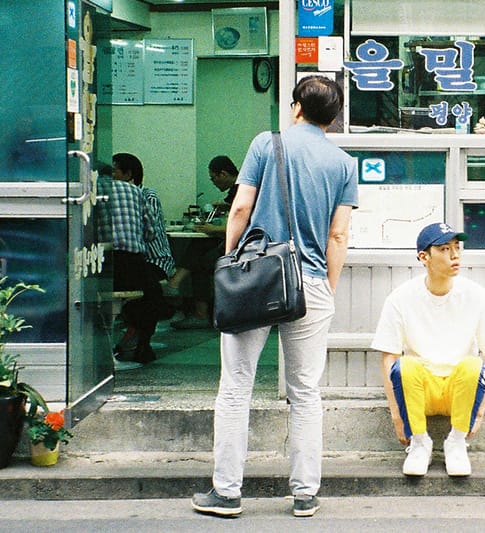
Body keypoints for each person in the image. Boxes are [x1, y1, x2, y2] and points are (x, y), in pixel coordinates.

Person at [191, 75, 358, 518]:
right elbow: (338, 234)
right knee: (304, 391)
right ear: (334, 117)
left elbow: (240, 209)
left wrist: (231, 265)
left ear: (296, 108)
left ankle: (227, 493)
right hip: (313, 283)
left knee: (236, 386)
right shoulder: (344, 163)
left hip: (257, 277)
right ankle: (305, 493)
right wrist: (325, 285)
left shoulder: (267, 144)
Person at [371, 222, 485, 477]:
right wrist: (397, 416)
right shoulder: (401, 298)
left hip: (459, 392)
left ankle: (456, 442)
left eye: (457, 248)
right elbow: (388, 357)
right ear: (424, 257)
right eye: (445, 249)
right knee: (406, 365)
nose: (455, 255)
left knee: (473, 364)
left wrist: (478, 413)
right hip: (421, 391)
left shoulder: (475, 295)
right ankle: (420, 443)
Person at [95, 163, 161, 365]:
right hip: (132, 263)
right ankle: (143, 346)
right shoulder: (135, 191)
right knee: (152, 294)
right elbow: (151, 232)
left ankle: (101, 349)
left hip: (103, 262)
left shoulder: (91, 191)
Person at [166, 156, 239, 329]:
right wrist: (225, 208)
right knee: (201, 245)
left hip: (244, 246)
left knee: (202, 263)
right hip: (236, 243)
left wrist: (213, 229)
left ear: (222, 174)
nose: (214, 183)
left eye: (213, 178)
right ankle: (175, 282)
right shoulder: (238, 189)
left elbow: (245, 224)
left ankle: (197, 310)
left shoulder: (241, 189)